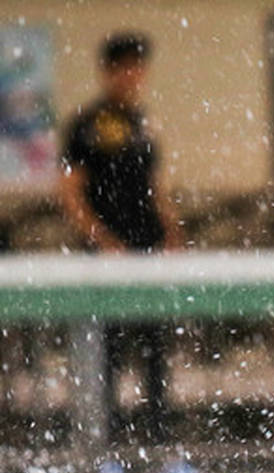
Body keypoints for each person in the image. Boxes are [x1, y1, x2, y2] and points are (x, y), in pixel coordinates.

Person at [59, 32, 182, 441]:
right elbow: (71, 192)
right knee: (106, 349)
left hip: (147, 249)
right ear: (108, 71)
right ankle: (106, 439)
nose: (132, 76)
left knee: (154, 346)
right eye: (124, 67)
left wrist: (171, 231)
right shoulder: (86, 125)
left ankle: (158, 436)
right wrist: (103, 241)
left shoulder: (142, 122)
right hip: (108, 254)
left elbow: (154, 184)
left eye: (137, 67)